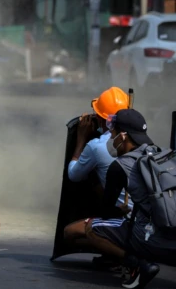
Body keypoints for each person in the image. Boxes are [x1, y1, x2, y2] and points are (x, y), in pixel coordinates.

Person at [82, 109, 172, 289]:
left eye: (113, 133)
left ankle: (139, 265)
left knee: (91, 228)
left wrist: (121, 210)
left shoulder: (120, 166)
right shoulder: (165, 154)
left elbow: (107, 212)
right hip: (173, 238)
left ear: (123, 136)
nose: (111, 137)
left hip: (151, 240)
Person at [63, 87, 132, 256]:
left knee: (69, 234)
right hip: (146, 214)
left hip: (128, 217)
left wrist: (81, 139)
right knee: (96, 181)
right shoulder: (137, 137)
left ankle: (124, 257)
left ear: (102, 120)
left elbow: (74, 174)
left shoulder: (97, 146)